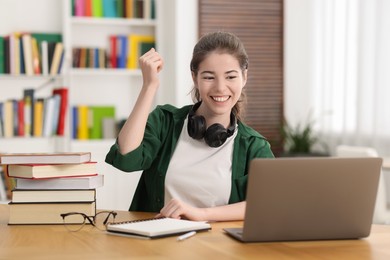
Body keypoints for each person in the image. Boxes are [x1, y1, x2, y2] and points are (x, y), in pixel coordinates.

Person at [105, 31, 274, 222]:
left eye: (230, 77)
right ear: (195, 78)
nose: (220, 87)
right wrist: (149, 86)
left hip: (218, 247)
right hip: (157, 245)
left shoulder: (254, 145)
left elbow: (266, 203)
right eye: (209, 77)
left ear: (244, 77)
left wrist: (201, 214)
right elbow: (126, 158)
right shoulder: (166, 121)